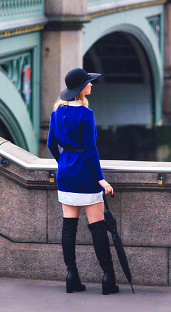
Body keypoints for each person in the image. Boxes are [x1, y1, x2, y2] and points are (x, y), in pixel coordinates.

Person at [47, 68, 118, 296]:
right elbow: (91, 151)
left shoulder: (56, 112)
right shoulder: (87, 114)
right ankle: (107, 278)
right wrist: (101, 179)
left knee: (69, 227)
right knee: (97, 228)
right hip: (86, 175)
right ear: (81, 89)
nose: (91, 85)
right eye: (89, 82)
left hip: (66, 174)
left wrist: (64, 163)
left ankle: (71, 276)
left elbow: (51, 145)